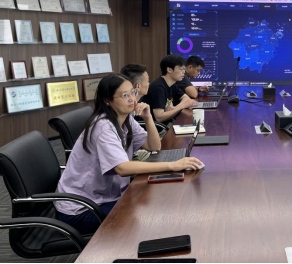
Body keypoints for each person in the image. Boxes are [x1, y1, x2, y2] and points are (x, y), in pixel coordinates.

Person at [55, 74, 203, 235]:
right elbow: (122, 168)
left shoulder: (125, 119)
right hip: (81, 208)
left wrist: (148, 118)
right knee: (146, 218)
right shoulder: (103, 127)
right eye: (125, 95)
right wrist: (172, 165)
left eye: (133, 92)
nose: (132, 99)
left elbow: (154, 146)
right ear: (107, 100)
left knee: (154, 206)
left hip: (105, 196)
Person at [141, 54, 196, 125]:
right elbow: (159, 117)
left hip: (167, 124)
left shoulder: (172, 85)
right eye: (181, 69)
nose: (184, 72)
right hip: (158, 128)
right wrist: (181, 106)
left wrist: (175, 108)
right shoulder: (158, 88)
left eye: (184, 69)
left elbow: (186, 98)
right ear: (169, 70)